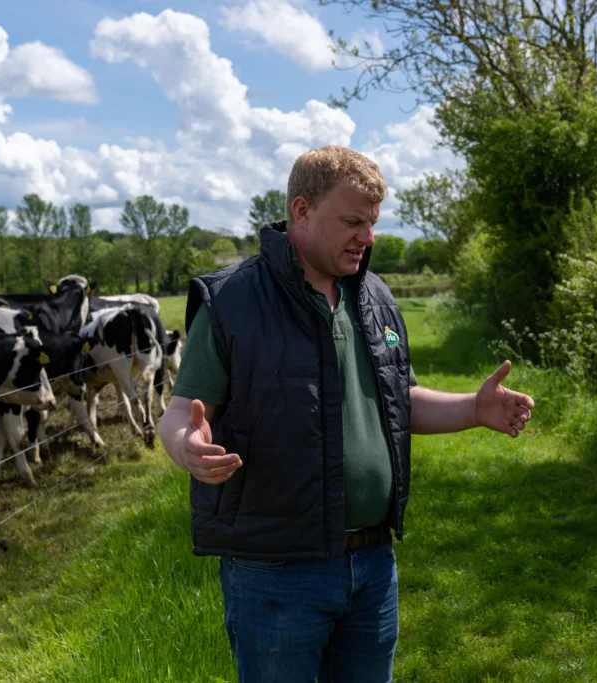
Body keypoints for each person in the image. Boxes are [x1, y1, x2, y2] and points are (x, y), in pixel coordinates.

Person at [159, 145, 535, 683]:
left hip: (373, 567)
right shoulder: (234, 301)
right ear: (301, 211)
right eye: (353, 221)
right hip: (276, 575)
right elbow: (179, 413)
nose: (368, 237)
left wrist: (474, 409)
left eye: (373, 223)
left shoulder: (376, 298)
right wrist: (185, 446)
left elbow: (397, 403)